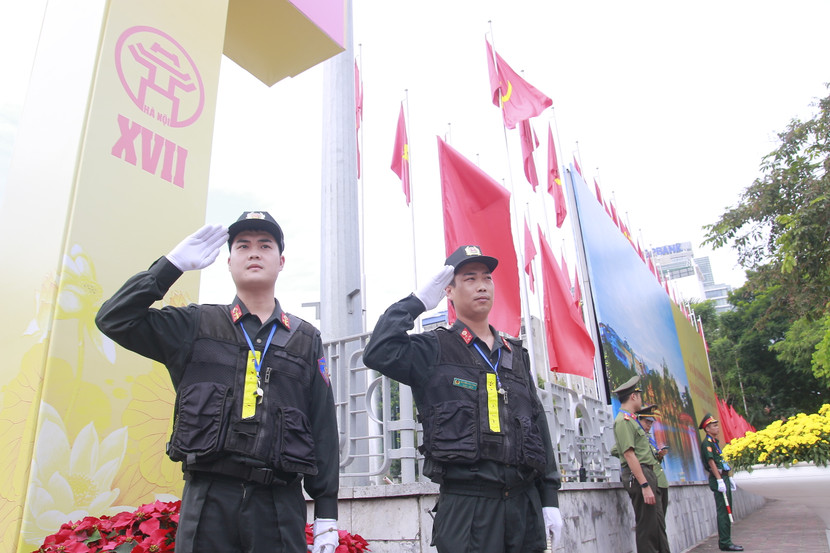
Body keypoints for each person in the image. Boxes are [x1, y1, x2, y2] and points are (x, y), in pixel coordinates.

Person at [95, 212, 340, 553]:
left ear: (281, 261)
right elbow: (114, 318)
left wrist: (326, 512)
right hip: (208, 501)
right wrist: (170, 266)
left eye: (265, 245)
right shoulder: (196, 325)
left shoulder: (304, 338)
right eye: (243, 245)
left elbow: (322, 426)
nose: (254, 252)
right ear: (228, 261)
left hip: (278, 505)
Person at [362, 245, 564, 553]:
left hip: (524, 506)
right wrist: (416, 303)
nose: (482, 285)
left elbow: (537, 426)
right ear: (449, 291)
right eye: (469, 278)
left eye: (487, 278)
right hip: (468, 507)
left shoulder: (515, 354)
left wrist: (549, 498)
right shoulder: (434, 349)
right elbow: (378, 351)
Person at [612, 376, 671, 553]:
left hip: (647, 473)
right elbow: (629, 454)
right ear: (633, 397)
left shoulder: (631, 420)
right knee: (647, 529)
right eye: (639, 395)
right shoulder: (623, 421)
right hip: (640, 476)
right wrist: (644, 484)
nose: (640, 398)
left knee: (656, 526)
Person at [699, 414, 743, 552]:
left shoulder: (714, 442)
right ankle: (725, 542)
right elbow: (711, 462)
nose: (717, 427)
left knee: (727, 508)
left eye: (717, 425)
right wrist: (719, 479)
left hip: (723, 476)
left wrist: (728, 477)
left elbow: (721, 461)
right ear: (707, 429)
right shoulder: (707, 443)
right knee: (724, 511)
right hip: (718, 478)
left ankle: (727, 540)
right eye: (714, 426)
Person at [636, 404, 669, 516]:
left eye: (651, 423)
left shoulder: (649, 438)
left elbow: (653, 459)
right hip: (650, 481)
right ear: (639, 419)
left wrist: (659, 455)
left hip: (660, 481)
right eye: (647, 422)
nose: (649, 425)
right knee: (655, 518)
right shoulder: (636, 437)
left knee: (661, 517)